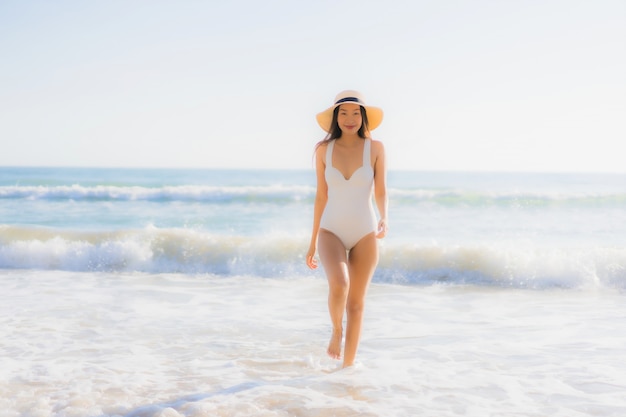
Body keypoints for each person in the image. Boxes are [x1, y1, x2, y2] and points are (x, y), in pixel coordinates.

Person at [306, 90, 388, 368]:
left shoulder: (375, 148)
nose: (350, 118)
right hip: (331, 231)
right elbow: (320, 196)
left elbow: (381, 190)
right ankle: (336, 330)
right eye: (343, 113)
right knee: (339, 285)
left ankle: (347, 372)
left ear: (363, 116)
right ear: (335, 117)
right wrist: (311, 242)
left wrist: (384, 217)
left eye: (355, 113)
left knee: (356, 304)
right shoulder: (323, 150)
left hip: (365, 232)